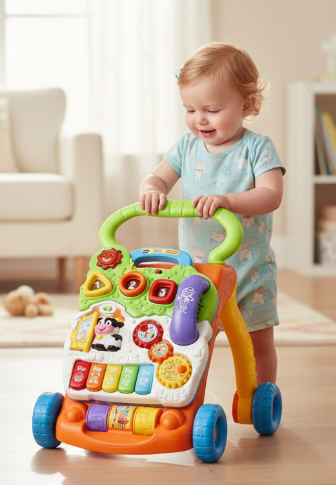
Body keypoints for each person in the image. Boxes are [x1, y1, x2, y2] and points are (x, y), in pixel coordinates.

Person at [138, 42, 284, 385]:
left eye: (212, 110)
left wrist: (228, 201)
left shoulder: (257, 147)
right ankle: (186, 399)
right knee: (191, 341)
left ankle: (259, 397)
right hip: (197, 275)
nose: (199, 119)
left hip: (249, 273)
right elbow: (158, 176)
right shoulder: (185, 147)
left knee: (256, 342)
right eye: (189, 109)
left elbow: (271, 194)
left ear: (247, 104)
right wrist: (152, 190)